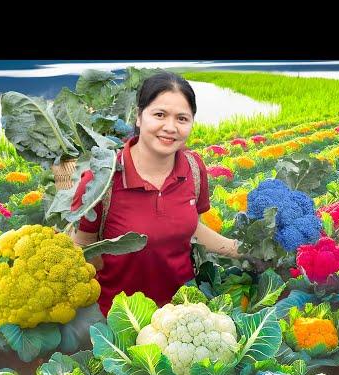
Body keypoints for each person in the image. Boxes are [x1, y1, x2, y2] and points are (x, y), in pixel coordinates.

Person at [70, 71, 241, 317]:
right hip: (120, 319)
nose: (170, 127)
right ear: (139, 116)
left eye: (182, 118)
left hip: (184, 312)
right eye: (159, 115)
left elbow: (193, 228)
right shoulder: (100, 180)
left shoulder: (193, 168)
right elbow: (83, 250)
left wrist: (239, 248)